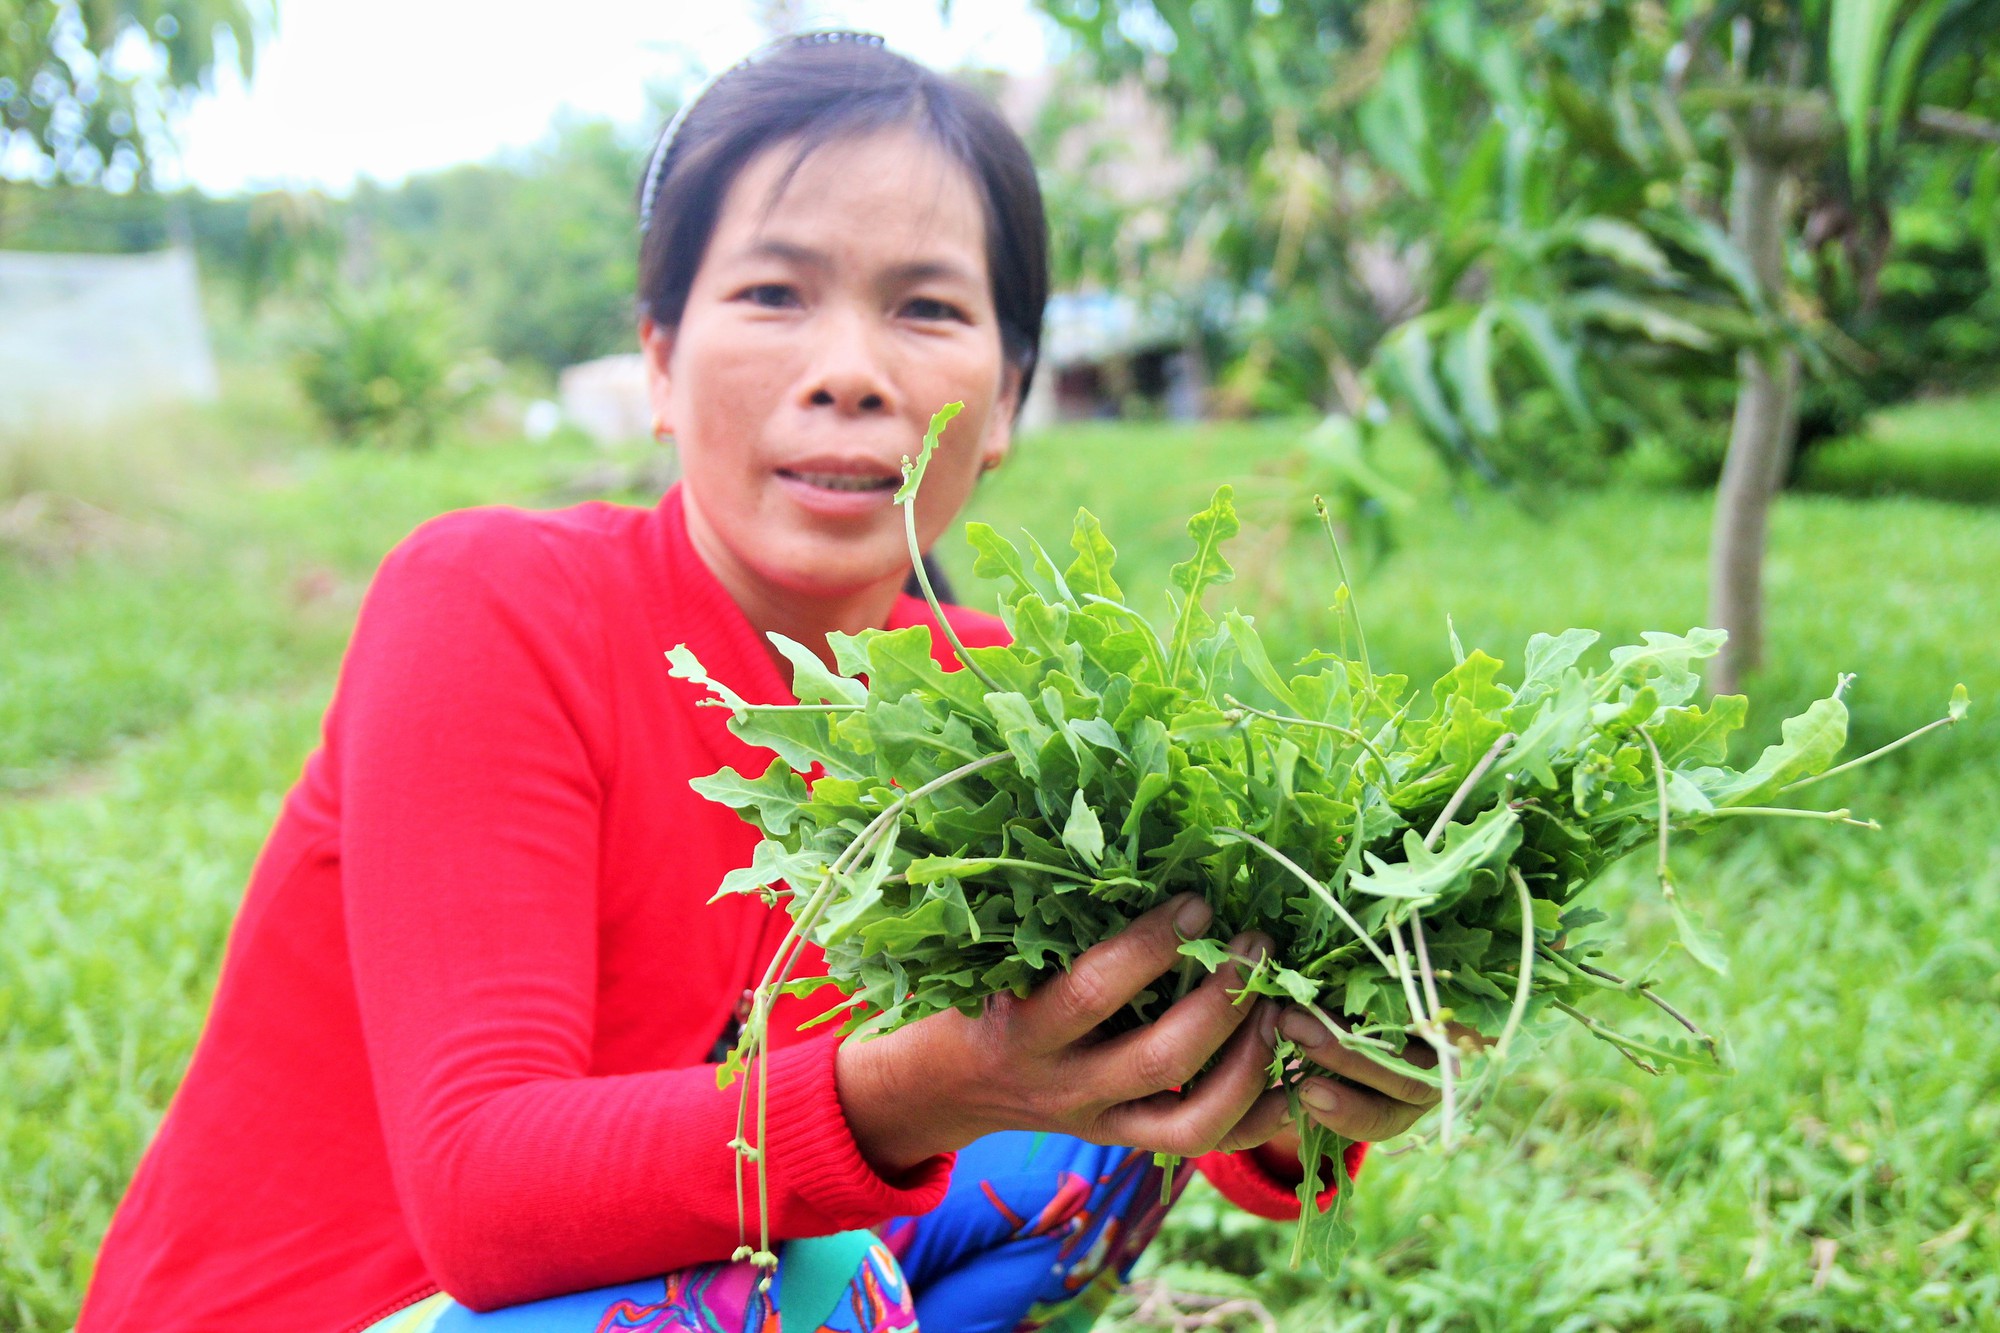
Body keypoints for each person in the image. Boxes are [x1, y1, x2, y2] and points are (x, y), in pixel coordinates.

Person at [77, 33, 1441, 1333]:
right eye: (774, 294)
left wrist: (1316, 1070)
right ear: (662, 363)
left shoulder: (1001, 709)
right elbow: (478, 1190)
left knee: (1091, 1161)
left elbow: (1188, 1097)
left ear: (1013, 390)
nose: (847, 372)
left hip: (692, 1279)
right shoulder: (493, 602)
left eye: (926, 307)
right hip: (357, 1301)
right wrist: (925, 1089)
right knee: (803, 1274)